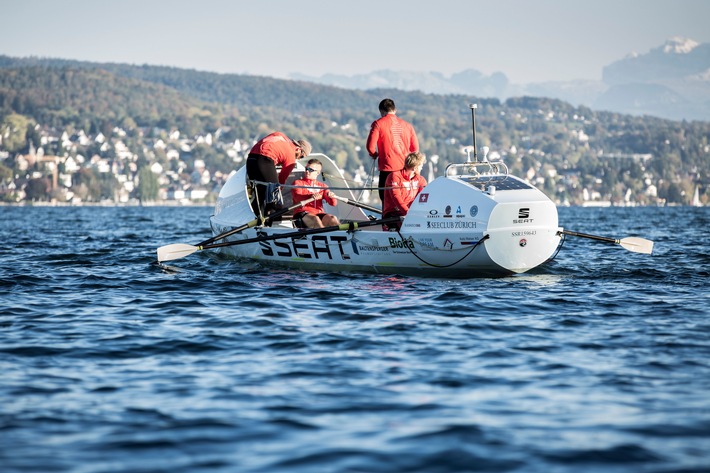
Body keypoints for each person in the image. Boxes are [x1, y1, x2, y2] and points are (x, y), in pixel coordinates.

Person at [366, 98, 419, 203]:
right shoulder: (408, 126)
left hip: (387, 169)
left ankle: (388, 218)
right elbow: (415, 149)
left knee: (386, 200)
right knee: (404, 200)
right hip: (405, 169)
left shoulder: (378, 124)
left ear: (381, 111)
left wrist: (374, 154)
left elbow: (370, 147)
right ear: (395, 110)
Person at [246, 131, 312, 217]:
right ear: (299, 149)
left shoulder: (280, 135)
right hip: (265, 160)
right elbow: (282, 180)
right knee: (274, 198)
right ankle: (270, 220)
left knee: (260, 194)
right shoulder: (291, 157)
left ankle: (254, 218)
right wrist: (278, 193)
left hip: (251, 158)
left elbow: (266, 141)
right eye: (301, 156)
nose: (298, 159)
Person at [382, 151, 427, 231]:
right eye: (421, 165)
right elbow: (396, 197)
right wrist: (408, 213)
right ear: (415, 167)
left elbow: (423, 200)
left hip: (410, 213)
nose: (422, 168)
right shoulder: (394, 176)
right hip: (393, 213)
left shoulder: (421, 180)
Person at [291, 159, 340, 228]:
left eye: (310, 170)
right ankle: (324, 235)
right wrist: (311, 197)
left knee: (333, 219)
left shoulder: (323, 186)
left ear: (318, 172)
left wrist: (332, 197)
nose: (307, 171)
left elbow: (333, 204)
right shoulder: (298, 183)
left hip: (318, 213)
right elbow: (297, 199)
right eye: (306, 169)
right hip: (301, 213)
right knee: (315, 219)